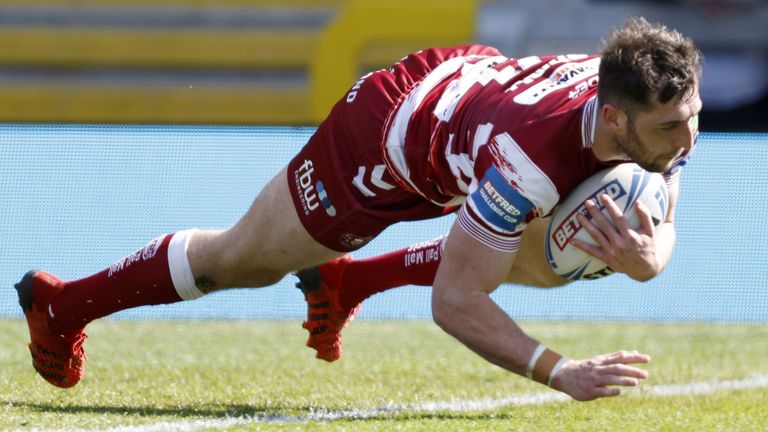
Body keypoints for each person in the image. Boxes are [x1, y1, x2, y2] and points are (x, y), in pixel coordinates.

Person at [16, 17, 701, 402]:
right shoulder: (527, 168)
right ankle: (64, 305)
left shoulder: (645, 105)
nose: (688, 138)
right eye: (673, 127)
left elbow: (660, 203)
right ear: (613, 119)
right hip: (379, 143)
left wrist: (650, 258)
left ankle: (350, 281)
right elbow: (457, 301)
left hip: (462, 111)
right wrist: (562, 371)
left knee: (563, 253)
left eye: (692, 118)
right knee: (239, 262)